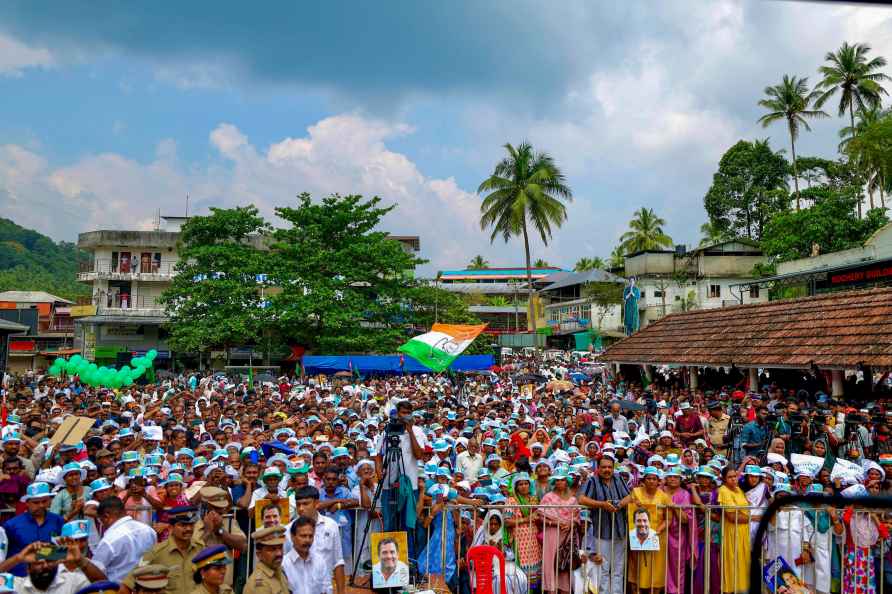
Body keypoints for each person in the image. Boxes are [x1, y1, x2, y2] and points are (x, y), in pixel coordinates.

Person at [374, 400, 427, 542]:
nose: (406, 416)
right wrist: (379, 473)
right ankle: (387, 561)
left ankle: (407, 561)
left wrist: (409, 431)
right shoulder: (387, 430)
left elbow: (419, 455)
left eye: (409, 413)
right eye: (403, 413)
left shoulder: (418, 431)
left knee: (408, 524)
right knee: (389, 523)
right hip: (388, 485)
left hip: (410, 485)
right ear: (397, 414)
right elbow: (378, 455)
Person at [578, 457, 632, 594]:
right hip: (601, 530)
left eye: (609, 467)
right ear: (598, 468)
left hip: (620, 530)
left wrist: (619, 505)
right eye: (603, 467)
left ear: (613, 468)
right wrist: (602, 504)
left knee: (618, 569)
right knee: (602, 568)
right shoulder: (592, 480)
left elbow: (630, 496)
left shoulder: (619, 478)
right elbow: (581, 499)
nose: (607, 470)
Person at [119, 506, 203, 594]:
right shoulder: (156, 552)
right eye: (183, 525)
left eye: (191, 525)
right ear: (171, 528)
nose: (189, 529)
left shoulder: (200, 549)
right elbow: (127, 585)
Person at [3, 483, 66, 576]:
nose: (41, 505)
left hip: (50, 575)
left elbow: (62, 552)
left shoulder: (58, 520)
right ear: (27, 503)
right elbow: (4, 555)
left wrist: (37, 553)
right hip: (20, 577)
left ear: (49, 501)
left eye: (44, 501)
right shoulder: (11, 525)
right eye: (36, 502)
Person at [289, 486, 344, 594]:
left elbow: (338, 561)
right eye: (298, 504)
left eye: (305, 504)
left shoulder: (331, 526)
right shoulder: (288, 530)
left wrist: (341, 592)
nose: (300, 508)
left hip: (324, 590)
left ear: (316, 503)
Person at [627, 466, 669, 590]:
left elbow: (669, 519)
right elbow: (629, 511)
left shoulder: (663, 496)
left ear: (658, 481)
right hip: (638, 537)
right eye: (648, 478)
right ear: (644, 480)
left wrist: (657, 531)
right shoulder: (635, 492)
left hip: (657, 537)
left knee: (656, 573)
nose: (651, 481)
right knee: (636, 570)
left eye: (654, 479)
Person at [8, 540, 90, 594]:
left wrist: (80, 560)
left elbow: (101, 583)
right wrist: (17, 558)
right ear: (28, 569)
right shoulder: (16, 585)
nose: (45, 566)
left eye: (50, 561)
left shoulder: (72, 581)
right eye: (38, 563)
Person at [717, 466, 750, 594]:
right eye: (730, 477)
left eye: (734, 476)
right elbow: (731, 516)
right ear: (724, 479)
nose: (733, 479)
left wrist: (748, 517)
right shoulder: (723, 490)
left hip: (743, 532)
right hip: (731, 532)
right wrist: (753, 517)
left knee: (742, 564)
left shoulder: (739, 490)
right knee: (732, 564)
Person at [281, 516, 327, 594]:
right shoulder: (284, 565)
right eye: (303, 536)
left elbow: (325, 589)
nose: (307, 540)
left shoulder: (319, 561)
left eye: (310, 536)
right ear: (292, 537)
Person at [244, 526, 288, 594]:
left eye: (280, 547)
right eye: (272, 549)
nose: (279, 553)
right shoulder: (259, 584)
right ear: (259, 554)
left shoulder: (279, 572)